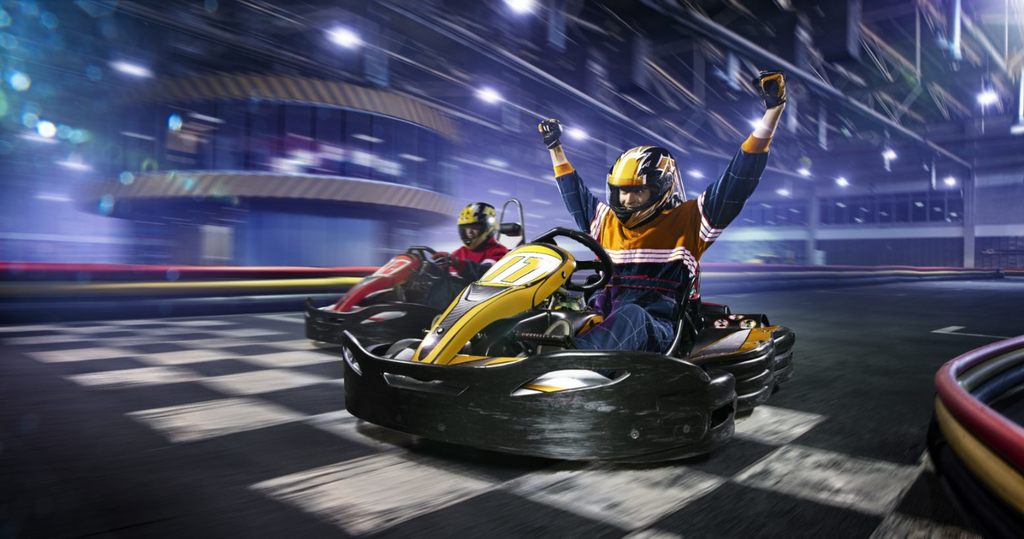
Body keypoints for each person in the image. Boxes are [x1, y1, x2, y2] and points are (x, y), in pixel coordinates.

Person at [537, 71, 787, 352]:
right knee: (548, 310)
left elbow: (738, 180)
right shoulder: (605, 221)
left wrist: (773, 112)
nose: (627, 200)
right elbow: (573, 190)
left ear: (661, 190)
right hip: (603, 318)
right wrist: (555, 147)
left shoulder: (690, 221)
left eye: (637, 191)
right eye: (621, 191)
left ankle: (570, 365)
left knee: (630, 316)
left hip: (659, 327)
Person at [424, 202, 509, 307]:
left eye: (475, 227)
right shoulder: (458, 253)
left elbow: (486, 276)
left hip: (476, 304)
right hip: (449, 304)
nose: (469, 232)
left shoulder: (498, 251)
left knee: (449, 285)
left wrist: (459, 264)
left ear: (488, 228)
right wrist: (432, 269)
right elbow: (445, 278)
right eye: (466, 228)